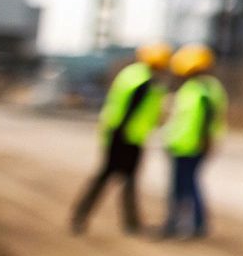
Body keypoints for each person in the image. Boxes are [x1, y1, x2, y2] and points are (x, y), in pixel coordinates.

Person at [69, 42, 172, 235]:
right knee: (118, 178)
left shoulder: (132, 74)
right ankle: (126, 223)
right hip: (126, 138)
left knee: (113, 178)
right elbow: (131, 111)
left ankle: (83, 217)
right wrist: (123, 137)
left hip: (118, 134)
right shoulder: (145, 82)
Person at [161, 42, 226, 240]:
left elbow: (207, 120)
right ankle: (177, 223)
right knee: (180, 187)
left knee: (188, 186)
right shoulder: (196, 87)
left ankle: (193, 225)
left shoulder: (203, 90)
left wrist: (205, 142)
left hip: (192, 147)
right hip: (180, 145)